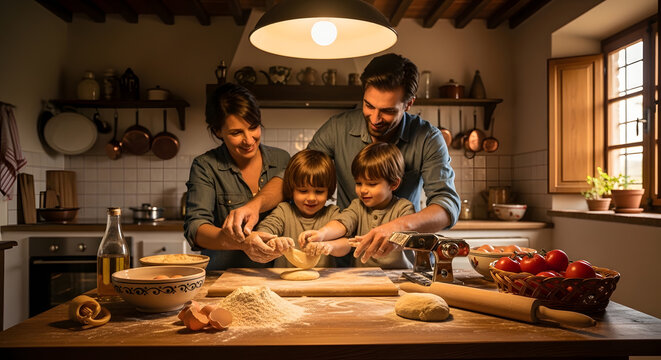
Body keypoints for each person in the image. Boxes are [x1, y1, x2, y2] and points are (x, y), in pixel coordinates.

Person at [224, 53, 460, 266]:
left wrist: (397, 226)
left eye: (387, 111)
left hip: (403, 261)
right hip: (349, 260)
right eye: (368, 105)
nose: (375, 118)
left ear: (409, 104)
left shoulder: (428, 137)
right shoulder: (337, 128)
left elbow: (447, 206)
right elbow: (296, 175)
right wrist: (255, 206)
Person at [184, 82, 294, 271]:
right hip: (222, 275)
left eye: (253, 127)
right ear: (217, 131)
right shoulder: (205, 166)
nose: (249, 140)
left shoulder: (282, 159)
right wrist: (241, 242)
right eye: (236, 132)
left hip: (277, 275)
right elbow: (196, 229)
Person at [299, 143, 414, 268]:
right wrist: (322, 233)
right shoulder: (357, 206)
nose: (363, 190)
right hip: (364, 277)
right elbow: (342, 224)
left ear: (393, 184)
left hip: (399, 277)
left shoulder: (404, 208)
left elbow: (406, 240)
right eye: (359, 183)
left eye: (371, 184)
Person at [255, 149, 350, 268]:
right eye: (303, 191)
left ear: (329, 191)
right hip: (285, 285)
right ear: (292, 189)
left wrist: (329, 246)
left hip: (322, 284)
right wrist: (273, 241)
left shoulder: (332, 214)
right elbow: (264, 230)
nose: (311, 198)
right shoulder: (284, 211)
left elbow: (346, 245)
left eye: (319, 191)